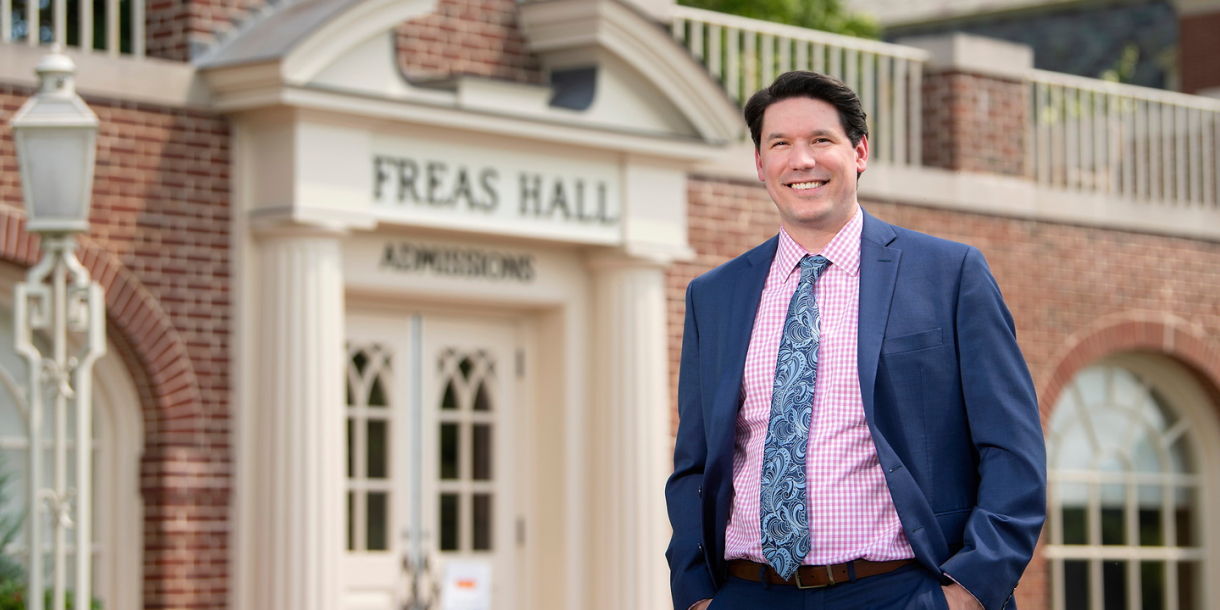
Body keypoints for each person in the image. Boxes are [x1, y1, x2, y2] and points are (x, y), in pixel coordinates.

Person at [665, 71, 1046, 610]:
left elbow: (1012, 449)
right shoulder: (716, 294)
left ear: (859, 151)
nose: (801, 161)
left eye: (821, 140)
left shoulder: (949, 274)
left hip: (899, 590)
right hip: (747, 593)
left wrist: (969, 592)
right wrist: (697, 594)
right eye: (780, 144)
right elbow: (695, 465)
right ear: (759, 164)